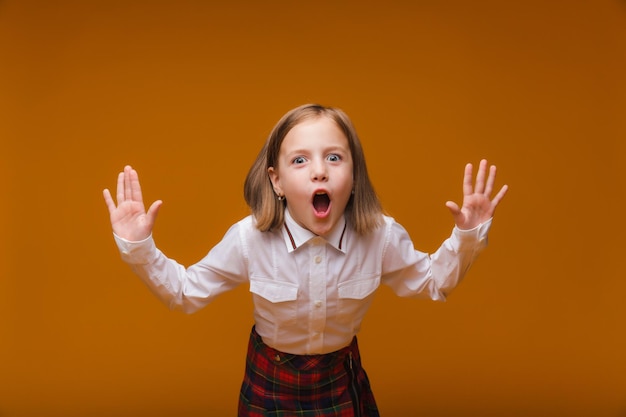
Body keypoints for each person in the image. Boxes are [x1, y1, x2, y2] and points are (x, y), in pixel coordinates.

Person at [103, 103, 508, 417]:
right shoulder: (249, 239)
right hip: (271, 380)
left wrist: (467, 237)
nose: (319, 172)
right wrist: (139, 247)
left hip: (339, 379)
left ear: (354, 175)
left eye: (334, 157)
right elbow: (186, 293)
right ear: (276, 180)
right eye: (300, 160)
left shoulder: (381, 235)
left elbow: (433, 283)